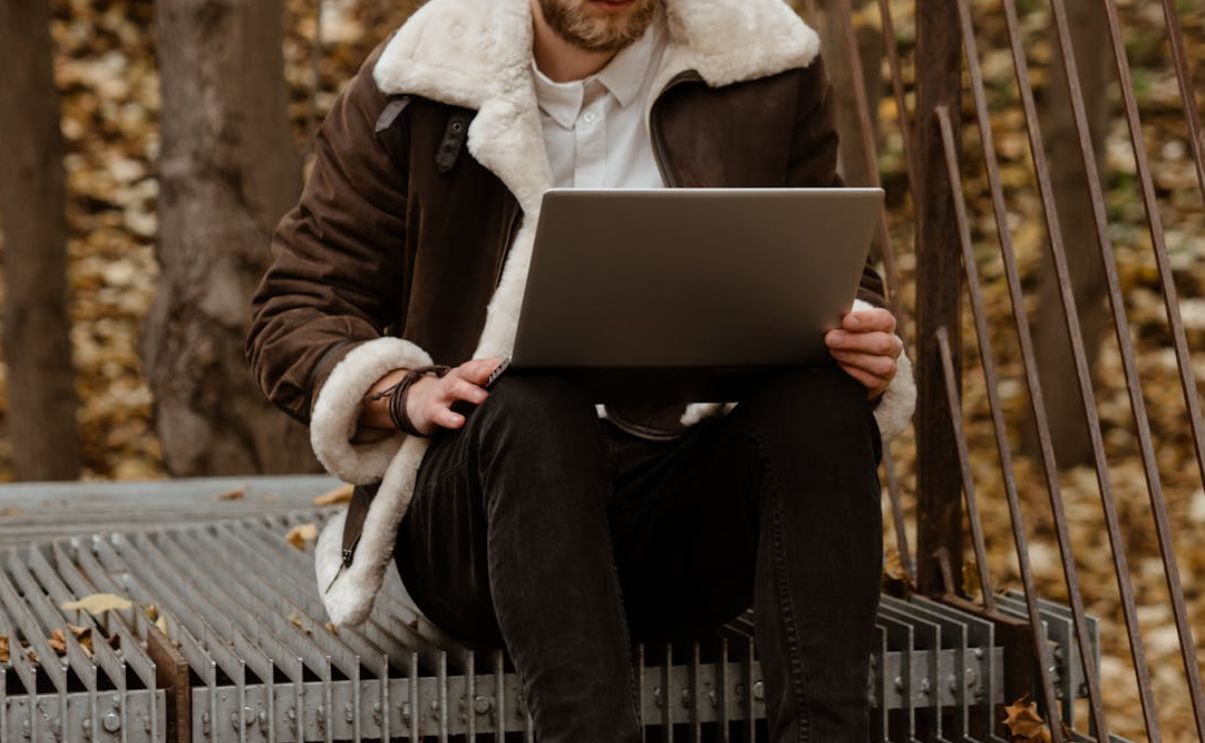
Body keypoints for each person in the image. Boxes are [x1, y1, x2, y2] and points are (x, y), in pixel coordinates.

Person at [246, 0, 916, 739]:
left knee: (821, 400)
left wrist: (858, 339)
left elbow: (833, 272)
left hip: (689, 524)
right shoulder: (422, 76)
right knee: (530, 402)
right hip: (486, 522)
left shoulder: (762, 63)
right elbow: (295, 306)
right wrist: (399, 392)